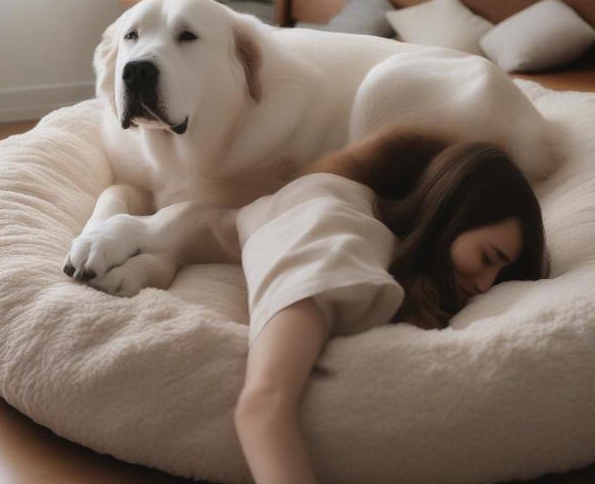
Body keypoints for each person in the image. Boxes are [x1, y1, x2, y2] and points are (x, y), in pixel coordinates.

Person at [232, 125, 549, 484]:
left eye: (501, 274)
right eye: (487, 257)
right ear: (449, 217)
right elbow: (262, 405)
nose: (485, 285)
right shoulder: (331, 250)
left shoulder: (385, 250)